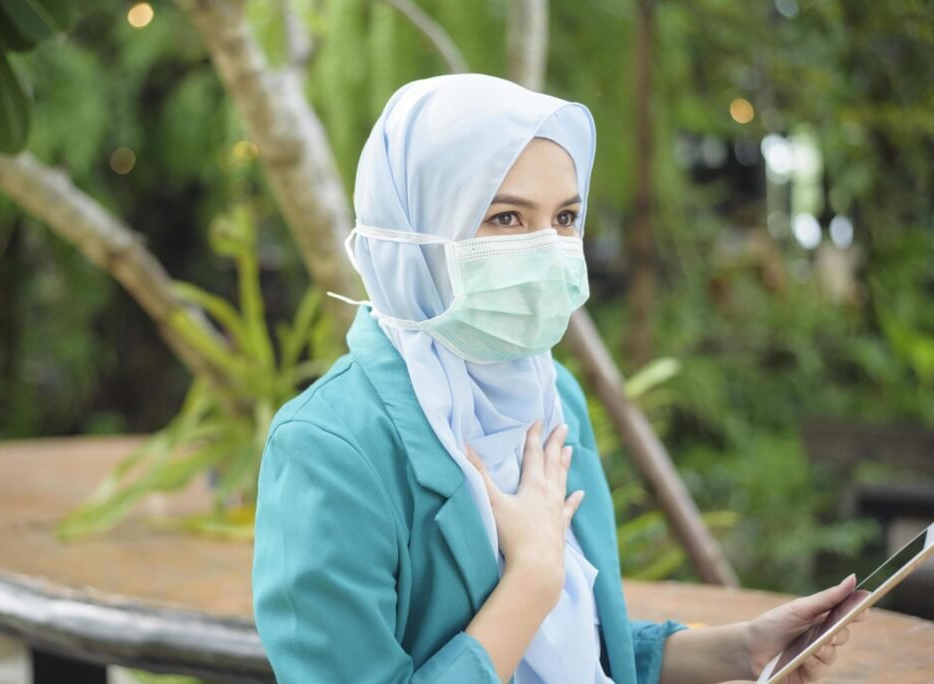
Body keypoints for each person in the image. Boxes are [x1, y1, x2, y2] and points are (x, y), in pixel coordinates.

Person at [251, 73, 865, 684]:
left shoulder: (550, 396)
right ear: (412, 229)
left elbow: (577, 648)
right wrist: (530, 581)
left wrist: (742, 651)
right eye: (507, 219)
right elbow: (526, 614)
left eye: (566, 217)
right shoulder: (330, 450)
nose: (548, 250)